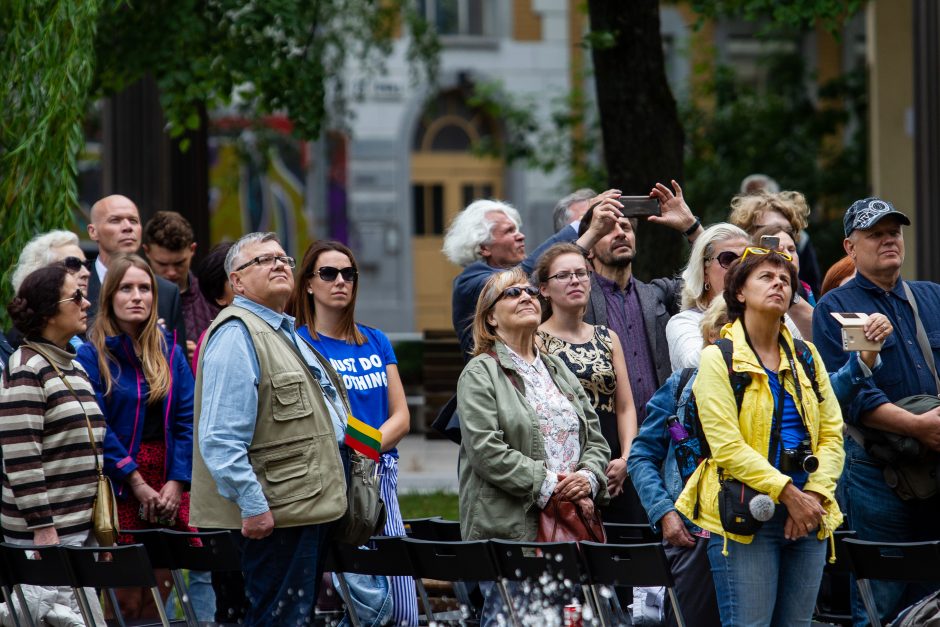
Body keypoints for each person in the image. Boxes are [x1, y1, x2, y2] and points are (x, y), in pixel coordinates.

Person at [675, 246, 845, 626]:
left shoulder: (807, 355)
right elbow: (727, 447)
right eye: (766, 278)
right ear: (739, 292)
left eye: (784, 279)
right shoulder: (718, 357)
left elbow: (834, 433)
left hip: (810, 514)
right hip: (747, 514)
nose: (778, 284)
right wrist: (789, 492)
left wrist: (814, 495)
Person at [190, 232, 350, 627]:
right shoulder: (235, 334)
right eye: (262, 260)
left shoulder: (283, 331)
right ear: (237, 283)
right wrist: (253, 504)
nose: (279, 264)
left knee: (292, 616)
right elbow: (221, 437)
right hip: (274, 515)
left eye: (283, 258)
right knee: (280, 619)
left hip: (303, 507)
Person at [812, 198, 940, 625]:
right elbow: (850, 398)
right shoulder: (833, 308)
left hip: (934, 462)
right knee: (879, 598)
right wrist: (919, 426)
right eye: (875, 234)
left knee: (935, 596)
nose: (889, 240)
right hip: (875, 471)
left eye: (894, 232)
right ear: (851, 247)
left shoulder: (932, 297)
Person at [457, 267, 610, 623]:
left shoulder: (555, 367)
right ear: (491, 318)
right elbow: (486, 451)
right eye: (512, 294)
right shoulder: (480, 372)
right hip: (515, 533)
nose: (526, 296)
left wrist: (588, 477)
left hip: (571, 527)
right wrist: (551, 485)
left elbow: (595, 436)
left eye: (529, 291)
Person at [289, 240, 418, 625]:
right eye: (328, 273)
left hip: (381, 475)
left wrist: (367, 447)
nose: (340, 281)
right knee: (369, 605)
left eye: (348, 274)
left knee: (403, 605)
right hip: (332, 479)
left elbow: (402, 416)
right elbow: (319, 421)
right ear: (309, 284)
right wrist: (360, 448)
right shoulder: (298, 345)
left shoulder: (374, 339)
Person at [75, 254, 195, 619]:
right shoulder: (91, 355)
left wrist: (176, 482)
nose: (137, 296)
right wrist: (136, 481)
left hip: (167, 482)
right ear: (110, 296)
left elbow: (187, 422)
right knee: (123, 600)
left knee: (158, 597)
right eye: (126, 288)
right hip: (122, 486)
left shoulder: (170, 353)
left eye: (145, 288)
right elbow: (96, 424)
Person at [0, 265, 106, 626]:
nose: (86, 302)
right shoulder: (27, 367)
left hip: (76, 532)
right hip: (46, 537)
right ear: (47, 311)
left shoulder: (74, 367)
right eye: (75, 296)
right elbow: (20, 456)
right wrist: (44, 529)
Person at [630, 297, 731, 627]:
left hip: (749, 535)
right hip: (691, 535)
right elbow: (642, 455)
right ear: (711, 335)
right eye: (727, 327)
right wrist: (664, 512)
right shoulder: (683, 383)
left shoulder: (775, 383)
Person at [578, 179, 703, 426]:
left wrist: (691, 227)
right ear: (589, 249)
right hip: (604, 442)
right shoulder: (576, 301)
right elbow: (540, 284)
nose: (620, 233)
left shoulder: (658, 294)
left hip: (661, 438)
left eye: (626, 227)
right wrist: (589, 230)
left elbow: (722, 274)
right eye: (606, 230)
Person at [443, 191, 624, 358]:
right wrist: (584, 224)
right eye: (509, 231)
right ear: (484, 248)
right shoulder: (469, 280)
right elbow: (517, 277)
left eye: (518, 229)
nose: (521, 236)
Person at [534, 243, 639, 524]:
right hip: (563, 465)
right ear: (544, 289)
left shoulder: (607, 337)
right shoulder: (535, 341)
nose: (575, 281)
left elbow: (626, 406)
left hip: (613, 463)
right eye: (563, 275)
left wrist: (627, 459)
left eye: (581, 274)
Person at [86, 194, 186, 345]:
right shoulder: (73, 286)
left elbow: (176, 362)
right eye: (115, 220)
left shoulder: (167, 292)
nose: (128, 227)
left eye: (133, 220)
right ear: (93, 232)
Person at [665, 223, 749, 371]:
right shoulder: (684, 321)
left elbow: (802, 354)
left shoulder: (770, 313)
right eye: (728, 259)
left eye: (747, 260)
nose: (740, 268)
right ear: (704, 272)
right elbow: (693, 366)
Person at [143, 211, 216, 364]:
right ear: (146, 251)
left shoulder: (213, 296)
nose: (171, 272)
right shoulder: (136, 300)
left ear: (193, 250)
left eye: (179, 263)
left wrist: (203, 354)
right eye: (162, 264)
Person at [7, 230, 93, 349]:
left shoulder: (88, 330)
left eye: (86, 265)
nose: (86, 273)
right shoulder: (23, 344)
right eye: (73, 264)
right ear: (41, 273)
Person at [738, 176, 823, 295]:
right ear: (749, 236)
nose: (782, 236)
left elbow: (814, 282)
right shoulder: (733, 285)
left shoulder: (805, 294)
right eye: (772, 232)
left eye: (788, 231)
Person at [750, 225, 816, 340]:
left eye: (791, 249)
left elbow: (820, 341)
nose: (788, 256)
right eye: (778, 252)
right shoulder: (753, 301)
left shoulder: (806, 291)